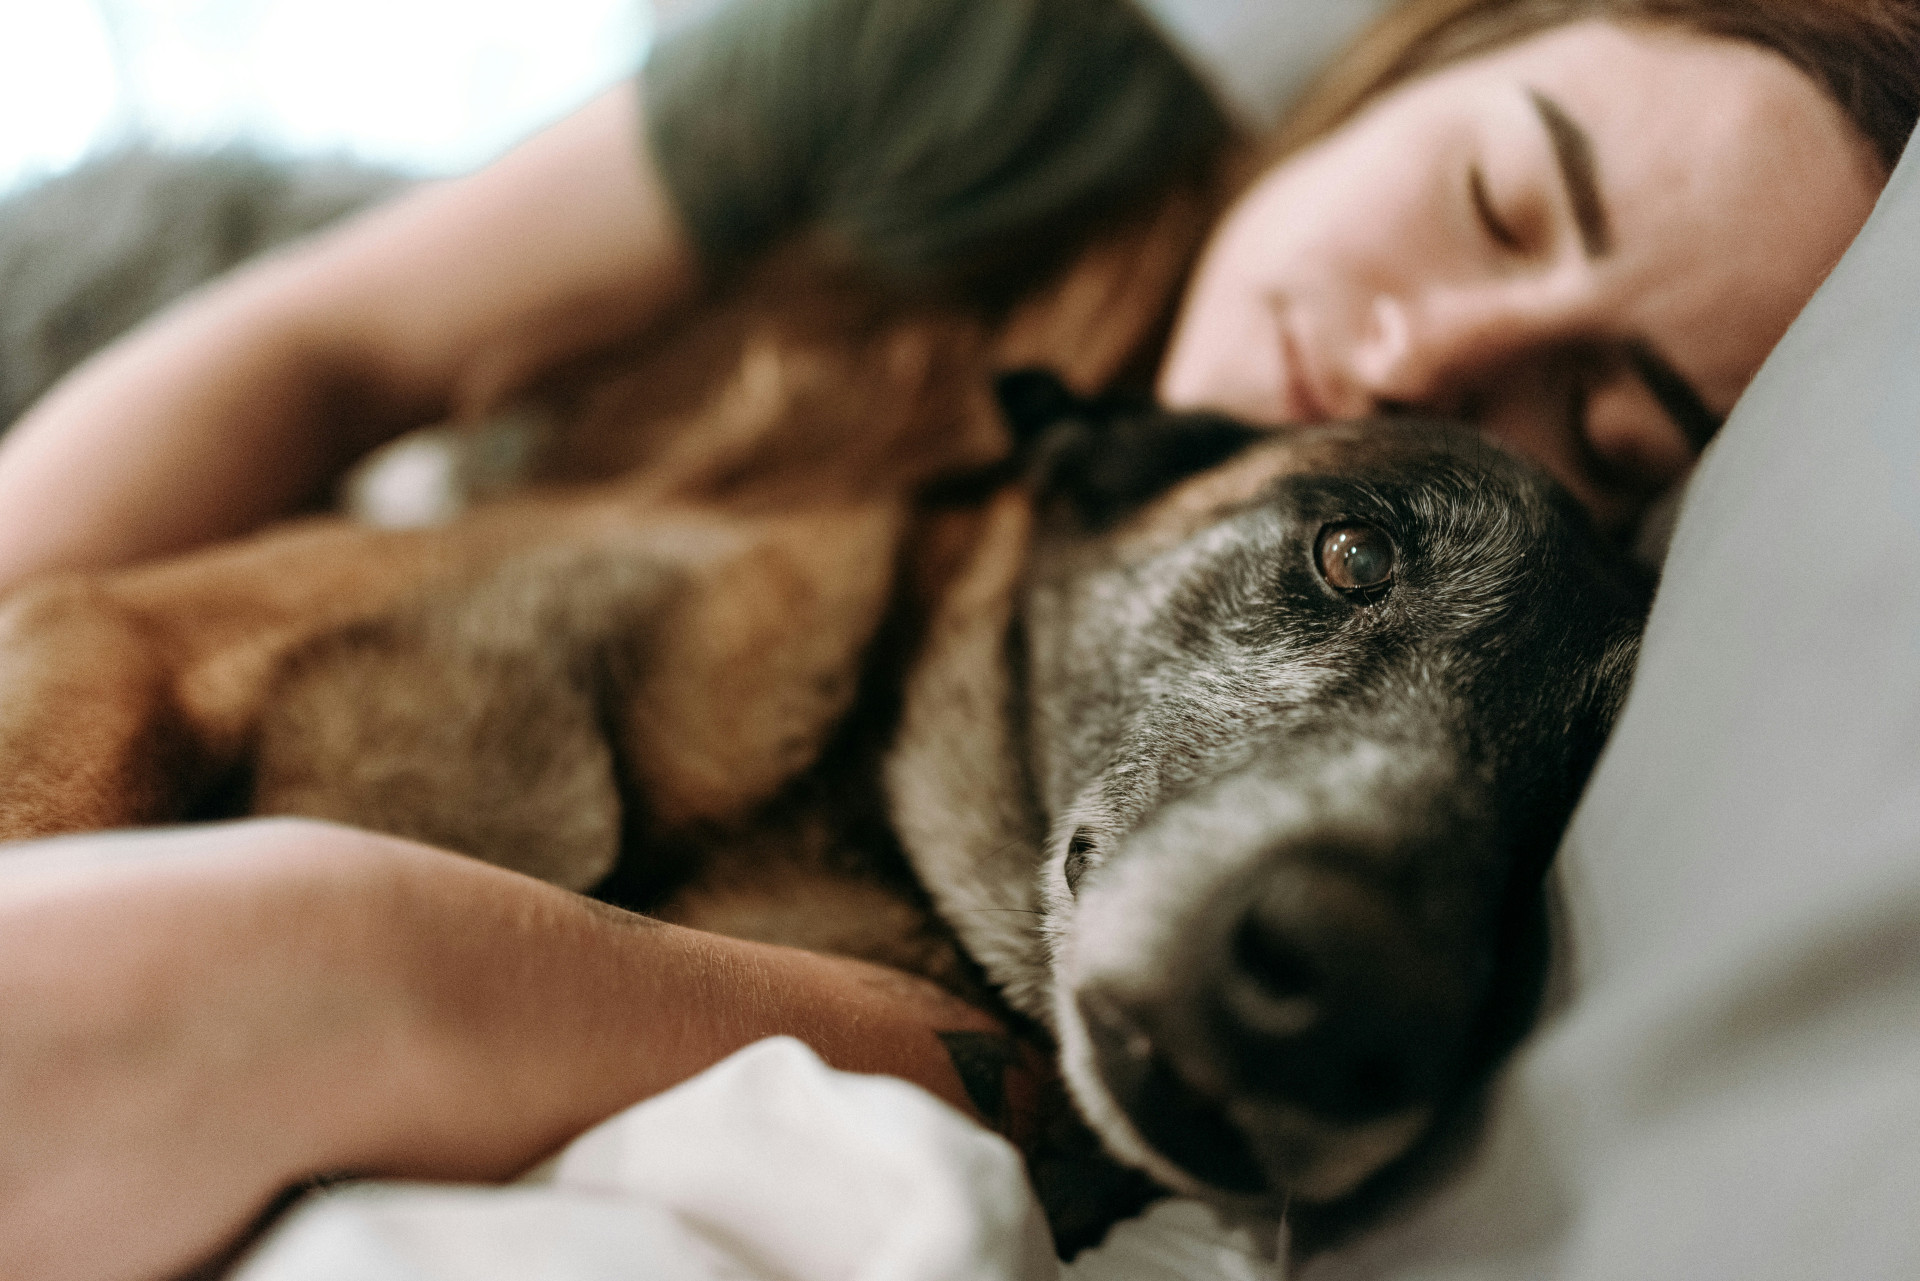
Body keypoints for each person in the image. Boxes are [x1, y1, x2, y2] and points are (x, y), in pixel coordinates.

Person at [0, 1, 1914, 1277]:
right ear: (1415, 62)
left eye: (1606, 435)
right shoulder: (998, 77)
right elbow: (313, 358)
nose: (1420, 365)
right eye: (1495, 203)